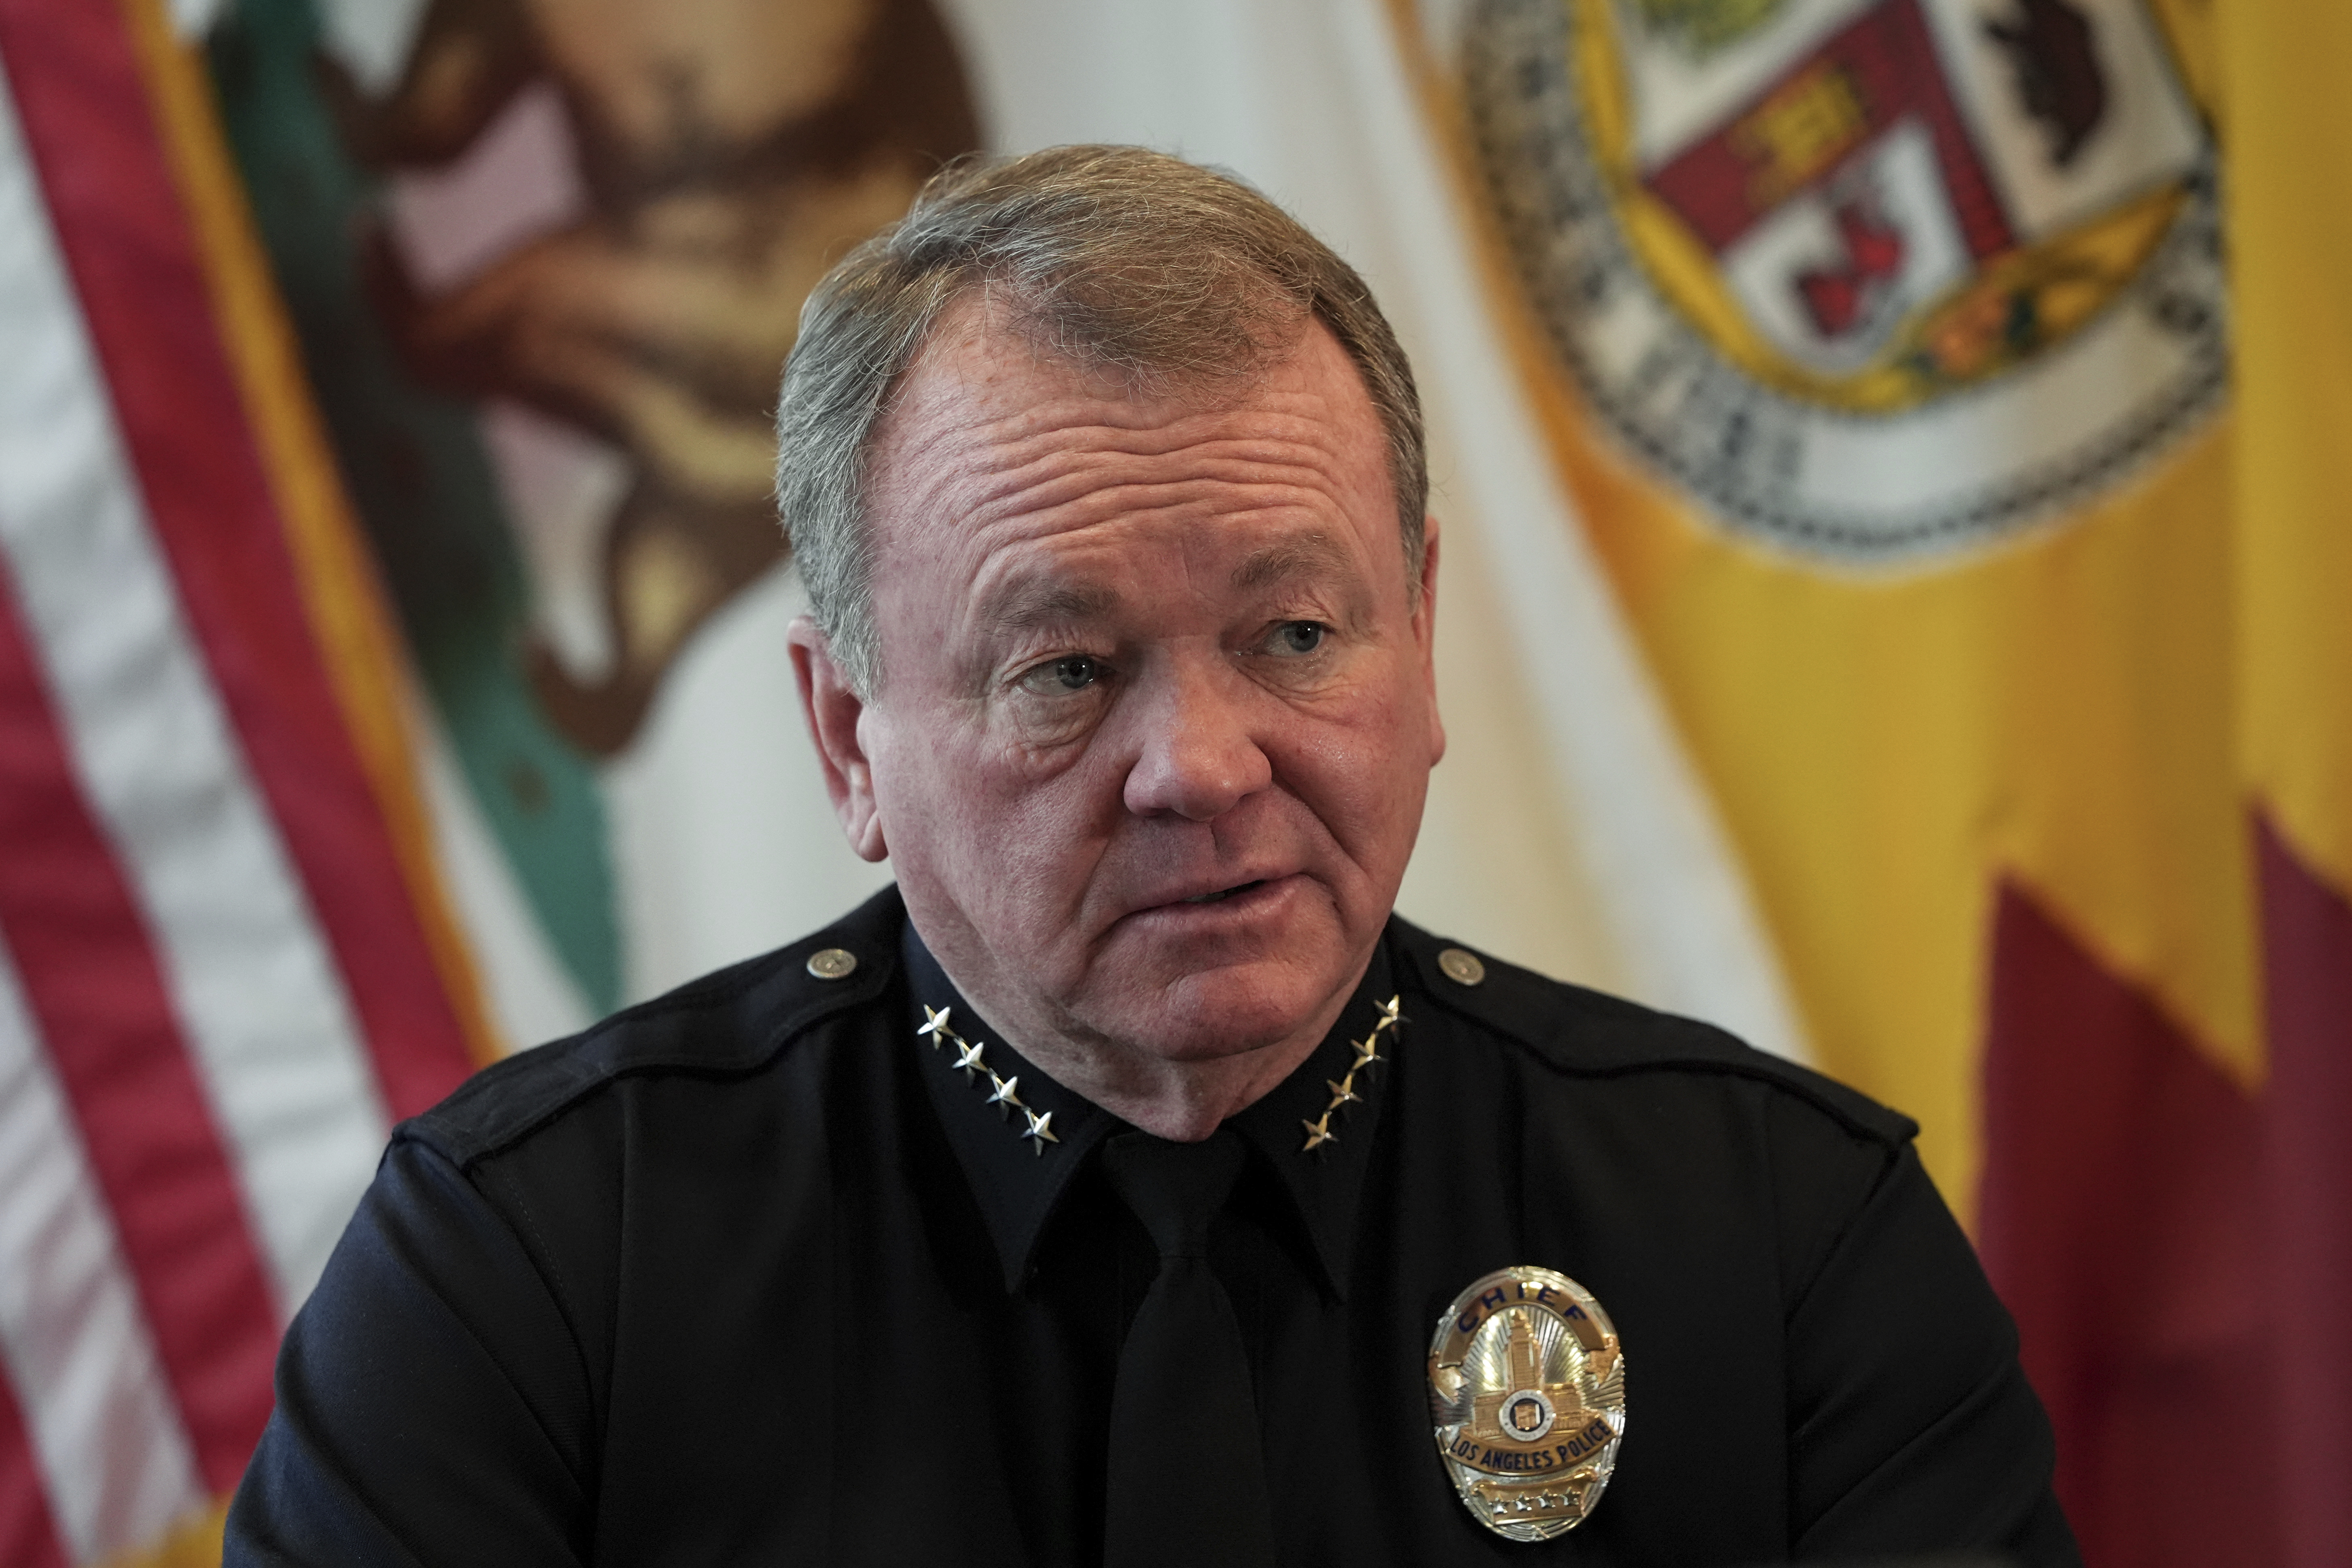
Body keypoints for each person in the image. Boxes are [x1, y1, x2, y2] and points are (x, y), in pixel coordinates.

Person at [225, 146, 2077, 1566]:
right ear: (843, 739)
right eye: (1063, 671)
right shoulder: (538, 1278)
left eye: (1292, 635)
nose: (1197, 767)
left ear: (1420, 636)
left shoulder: (1771, 1241)